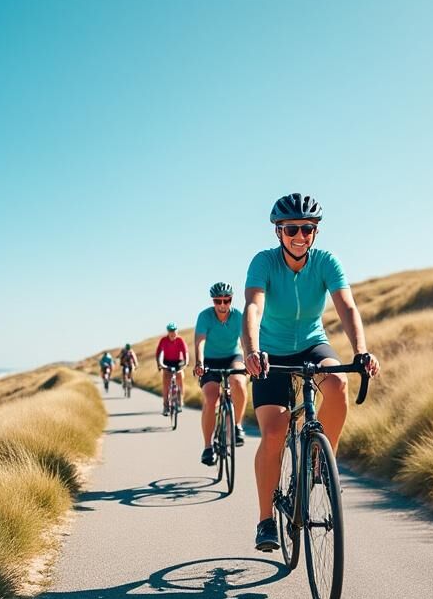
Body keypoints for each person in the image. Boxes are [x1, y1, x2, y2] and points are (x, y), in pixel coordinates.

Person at [242, 193, 381, 553]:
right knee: (274, 432)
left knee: (337, 382)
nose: (300, 235)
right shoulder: (264, 263)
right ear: (279, 231)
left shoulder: (326, 263)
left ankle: (321, 461)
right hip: (269, 351)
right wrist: (253, 350)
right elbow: (253, 307)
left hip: (311, 343)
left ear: (315, 231)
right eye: (292, 229)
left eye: (308, 228)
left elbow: (346, 306)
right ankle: (265, 520)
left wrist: (361, 350)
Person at [193, 282, 248, 465]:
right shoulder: (205, 316)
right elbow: (200, 341)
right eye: (218, 301)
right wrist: (199, 362)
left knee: (239, 382)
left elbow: (245, 340)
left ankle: (237, 425)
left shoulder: (238, 316)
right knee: (211, 398)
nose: (223, 305)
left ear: (231, 299)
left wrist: (249, 360)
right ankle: (208, 447)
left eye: (227, 300)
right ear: (213, 301)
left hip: (233, 356)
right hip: (210, 360)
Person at [154, 323, 188, 415]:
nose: (172, 333)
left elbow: (186, 353)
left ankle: (180, 400)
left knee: (180, 376)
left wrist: (186, 363)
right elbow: (158, 353)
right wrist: (160, 365)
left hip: (178, 362)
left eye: (174, 331)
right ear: (168, 332)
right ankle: (165, 406)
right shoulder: (163, 340)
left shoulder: (180, 340)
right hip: (167, 362)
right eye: (170, 331)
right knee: (166, 383)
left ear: (177, 331)